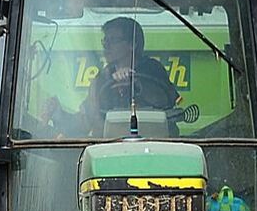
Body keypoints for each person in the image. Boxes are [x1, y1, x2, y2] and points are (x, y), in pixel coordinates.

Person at [41, 16, 180, 136]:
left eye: (112, 40)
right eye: (105, 41)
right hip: (108, 152)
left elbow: (166, 101)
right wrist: (59, 115)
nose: (106, 46)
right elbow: (84, 123)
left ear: (132, 44)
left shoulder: (153, 69)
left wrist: (136, 84)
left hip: (154, 149)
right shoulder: (101, 80)